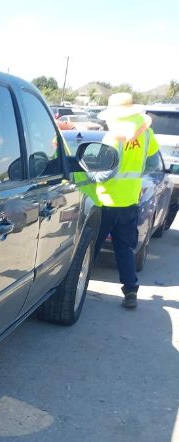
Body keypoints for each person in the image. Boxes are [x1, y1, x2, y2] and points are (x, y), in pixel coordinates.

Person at [91, 93, 160, 309]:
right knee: (124, 248)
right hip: (130, 201)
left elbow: (104, 174)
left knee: (90, 246)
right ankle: (130, 292)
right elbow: (152, 164)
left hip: (105, 202)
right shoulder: (147, 133)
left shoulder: (114, 136)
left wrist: (88, 176)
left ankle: (77, 283)